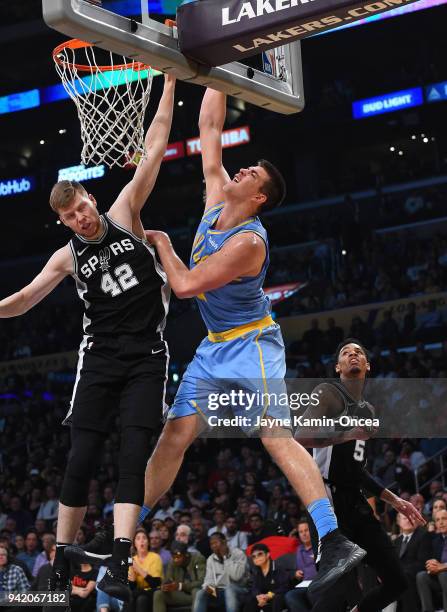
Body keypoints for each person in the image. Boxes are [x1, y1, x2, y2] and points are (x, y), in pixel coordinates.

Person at [134, 87, 367, 603]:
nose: (241, 172)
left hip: (253, 343)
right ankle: (127, 529)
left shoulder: (249, 243)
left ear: (259, 197)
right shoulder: (216, 193)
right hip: (215, 346)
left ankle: (333, 539)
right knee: (173, 438)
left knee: (275, 436)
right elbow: (210, 131)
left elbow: (188, 285)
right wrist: (212, 71)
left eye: (252, 176)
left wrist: (166, 243)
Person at [0, 74, 176, 602]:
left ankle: (119, 561)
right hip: (99, 357)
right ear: (63, 222)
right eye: (69, 216)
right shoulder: (67, 257)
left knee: (133, 453)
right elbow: (24, 300)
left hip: (146, 353)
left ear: (91, 199)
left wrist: (168, 82)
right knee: (80, 458)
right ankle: (59, 567)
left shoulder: (124, 213)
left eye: (81, 207)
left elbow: (158, 144)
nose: (79, 218)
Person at [295, 338, 426, 612]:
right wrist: (346, 433)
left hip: (355, 500)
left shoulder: (368, 411)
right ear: (338, 367)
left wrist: (395, 501)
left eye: (358, 353)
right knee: (339, 588)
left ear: (367, 365)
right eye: (346, 352)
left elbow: (357, 470)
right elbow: (302, 435)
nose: (352, 355)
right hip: (327, 500)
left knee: (397, 581)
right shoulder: (328, 392)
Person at [193, 533, 249, 612]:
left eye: (216, 543)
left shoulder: (238, 554)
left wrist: (225, 557)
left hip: (240, 591)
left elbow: (236, 576)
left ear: (224, 542)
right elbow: (208, 581)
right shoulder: (211, 559)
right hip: (219, 592)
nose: (214, 546)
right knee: (200, 593)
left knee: (229, 589)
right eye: (211, 544)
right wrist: (208, 588)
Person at [389, 512, 432, 612]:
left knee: (404, 576)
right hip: (399, 576)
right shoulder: (396, 541)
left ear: (416, 520)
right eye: (405, 518)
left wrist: (399, 572)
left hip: (413, 575)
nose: (408, 519)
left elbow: (422, 562)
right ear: (398, 522)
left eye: (411, 517)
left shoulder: (423, 535)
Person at [153, 541, 205, 612]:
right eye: (173, 557)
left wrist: (181, 586)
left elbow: (202, 582)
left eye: (178, 557)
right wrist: (166, 585)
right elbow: (168, 579)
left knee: (196, 591)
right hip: (182, 595)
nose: (175, 560)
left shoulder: (198, 559)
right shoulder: (172, 562)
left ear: (186, 554)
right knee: (158, 594)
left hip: (198, 595)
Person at [416, 508, 447, 612]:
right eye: (438, 520)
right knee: (421, 576)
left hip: (444, 575)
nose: (441, 522)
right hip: (440, 578)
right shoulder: (436, 540)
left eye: (444, 519)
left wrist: (443, 567)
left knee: (443, 574)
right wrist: (432, 565)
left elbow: (441, 567)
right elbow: (432, 559)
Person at [243, 543, 289, 612]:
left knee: (277, 599)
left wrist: (268, 595)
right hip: (264, 598)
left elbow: (284, 587)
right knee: (249, 600)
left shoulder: (278, 568)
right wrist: (259, 597)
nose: (257, 558)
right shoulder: (256, 571)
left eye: (260, 554)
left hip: (277, 597)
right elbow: (254, 588)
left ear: (268, 555)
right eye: (254, 556)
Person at [128, 528, 163, 612]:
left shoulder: (155, 557)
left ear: (148, 542)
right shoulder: (132, 560)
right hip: (138, 593)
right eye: (138, 538)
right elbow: (132, 587)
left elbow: (156, 583)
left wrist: (138, 569)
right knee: (137, 598)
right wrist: (132, 571)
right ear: (135, 544)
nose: (142, 541)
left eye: (144, 538)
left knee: (140, 598)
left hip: (154, 592)